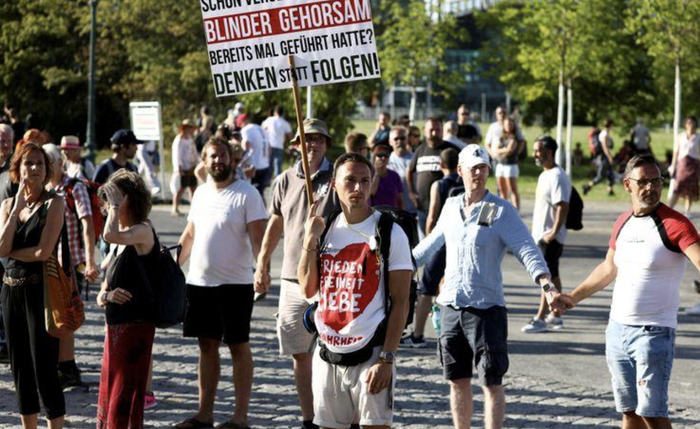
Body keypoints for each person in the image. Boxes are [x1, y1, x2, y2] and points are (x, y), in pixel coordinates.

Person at [412, 144, 562, 429]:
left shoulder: (501, 210)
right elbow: (429, 246)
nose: (479, 174)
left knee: (491, 383)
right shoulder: (451, 205)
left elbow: (527, 250)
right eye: (473, 168)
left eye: (484, 168)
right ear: (460, 171)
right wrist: (396, 264)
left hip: (487, 309)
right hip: (451, 306)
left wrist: (547, 285)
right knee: (457, 381)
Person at [552, 154, 700, 429]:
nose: (651, 187)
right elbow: (609, 267)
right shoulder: (622, 222)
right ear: (627, 185)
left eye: (656, 181)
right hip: (617, 331)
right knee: (629, 411)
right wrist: (573, 297)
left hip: (654, 333)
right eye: (643, 181)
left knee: (652, 414)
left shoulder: (676, 224)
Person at [297, 152, 413, 429]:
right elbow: (307, 287)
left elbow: (401, 302)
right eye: (350, 180)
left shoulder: (390, 232)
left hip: (371, 354)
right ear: (334, 184)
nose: (358, 188)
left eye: (365, 180)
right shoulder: (325, 229)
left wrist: (386, 358)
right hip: (327, 352)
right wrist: (309, 239)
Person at [176, 137, 267, 429]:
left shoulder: (247, 194)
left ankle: (240, 417)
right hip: (199, 283)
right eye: (212, 156)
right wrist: (170, 266)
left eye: (223, 156)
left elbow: (258, 240)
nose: (218, 161)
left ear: (233, 159)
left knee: (238, 345)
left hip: (235, 285)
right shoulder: (201, 193)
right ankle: (205, 414)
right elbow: (189, 235)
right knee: (206, 346)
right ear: (204, 160)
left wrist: (262, 270)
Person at [254, 118, 339, 429]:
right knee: (298, 352)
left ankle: (336, 416)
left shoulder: (337, 179)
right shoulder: (285, 180)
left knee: (334, 353)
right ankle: (309, 418)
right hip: (291, 278)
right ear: (296, 146)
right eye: (306, 139)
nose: (311, 144)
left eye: (318, 138)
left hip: (330, 279)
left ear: (327, 144)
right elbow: (275, 221)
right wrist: (263, 261)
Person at [0, 142, 66, 429]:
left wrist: (12, 251)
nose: (35, 169)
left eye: (40, 163)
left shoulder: (54, 204)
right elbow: (1, 247)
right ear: (19, 168)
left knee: (44, 368)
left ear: (47, 169)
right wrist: (15, 208)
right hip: (10, 292)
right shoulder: (6, 205)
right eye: (29, 163)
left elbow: (42, 252)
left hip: (40, 293)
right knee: (20, 369)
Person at [95, 169, 158, 429]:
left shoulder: (142, 230)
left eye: (117, 197)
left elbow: (108, 235)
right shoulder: (119, 239)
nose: (111, 204)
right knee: (111, 395)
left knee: (125, 398)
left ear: (131, 198)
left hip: (136, 328)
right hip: (115, 329)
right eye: (108, 200)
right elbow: (101, 293)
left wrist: (114, 208)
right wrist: (107, 295)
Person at [43, 144, 100, 389]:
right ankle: (57, 363)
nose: (44, 167)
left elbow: (87, 224)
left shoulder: (74, 188)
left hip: (69, 261)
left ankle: (67, 367)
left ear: (59, 163)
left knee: (66, 313)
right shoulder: (45, 189)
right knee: (53, 312)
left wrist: (90, 261)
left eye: (48, 162)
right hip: (48, 261)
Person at [402, 148, 461, 348]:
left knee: (427, 288)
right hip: (460, 242)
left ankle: (418, 335)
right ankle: (454, 332)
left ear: (441, 165)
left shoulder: (440, 185)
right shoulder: (465, 184)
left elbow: (433, 215)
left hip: (442, 243)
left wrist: (428, 237)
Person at [521, 136, 571, 333]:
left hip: (550, 238)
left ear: (549, 152)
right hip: (542, 235)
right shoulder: (545, 175)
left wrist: (553, 233)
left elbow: (563, 206)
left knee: (545, 278)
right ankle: (556, 316)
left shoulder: (558, 176)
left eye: (538, 150)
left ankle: (540, 317)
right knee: (553, 274)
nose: (535, 154)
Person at [406, 117, 459, 237]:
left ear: (442, 130)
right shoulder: (420, 150)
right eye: (431, 130)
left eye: (437, 130)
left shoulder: (451, 150)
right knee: (425, 243)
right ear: (425, 131)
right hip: (423, 208)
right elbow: (409, 170)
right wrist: (411, 192)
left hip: (445, 211)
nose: (434, 133)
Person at [668, 116, 700, 216]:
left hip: (693, 164)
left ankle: (687, 210)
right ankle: (669, 208)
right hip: (682, 164)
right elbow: (676, 152)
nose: (691, 125)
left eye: (693, 123)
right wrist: (673, 165)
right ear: (685, 124)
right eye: (689, 123)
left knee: (690, 188)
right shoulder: (680, 136)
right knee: (678, 186)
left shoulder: (698, 137)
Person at [0, 123, 12, 363]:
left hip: (8, 240)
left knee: (7, 291)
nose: (4, 143)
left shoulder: (15, 169)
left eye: (7, 139)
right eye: (1, 138)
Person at [491, 116, 522, 211]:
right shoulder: (501, 137)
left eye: (510, 124)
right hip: (500, 165)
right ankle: (505, 211)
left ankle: (516, 212)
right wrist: (502, 150)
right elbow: (495, 149)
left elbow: (509, 150)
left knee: (512, 190)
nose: (508, 126)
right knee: (501, 190)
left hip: (511, 166)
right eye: (507, 124)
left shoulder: (515, 137)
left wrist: (500, 150)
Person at [171, 120, 199, 216]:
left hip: (191, 166)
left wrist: (196, 161)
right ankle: (175, 208)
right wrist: (179, 166)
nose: (189, 129)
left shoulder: (190, 139)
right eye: (188, 127)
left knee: (193, 188)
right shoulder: (179, 140)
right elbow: (176, 155)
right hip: (183, 167)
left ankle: (193, 208)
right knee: (181, 188)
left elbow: (194, 151)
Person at [386, 126, 416, 216]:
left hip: (413, 210)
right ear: (390, 142)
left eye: (402, 138)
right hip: (393, 211)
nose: (399, 141)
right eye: (396, 139)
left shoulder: (415, 159)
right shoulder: (386, 161)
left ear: (407, 140)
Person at [240, 115, 271, 199]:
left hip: (254, 167)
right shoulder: (261, 129)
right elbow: (269, 148)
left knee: (251, 195)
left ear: (242, 123)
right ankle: (264, 212)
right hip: (265, 166)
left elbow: (246, 145)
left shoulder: (246, 130)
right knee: (260, 195)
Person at [583, 118, 615, 197]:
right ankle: (587, 187)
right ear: (610, 125)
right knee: (600, 176)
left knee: (610, 174)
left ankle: (610, 191)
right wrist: (609, 157)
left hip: (605, 157)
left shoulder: (605, 132)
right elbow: (605, 147)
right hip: (604, 157)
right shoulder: (604, 134)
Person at [262, 105, 293, 179]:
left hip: (268, 146)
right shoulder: (285, 123)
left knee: (268, 166)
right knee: (278, 168)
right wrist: (290, 145)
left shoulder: (268, 120)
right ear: (283, 113)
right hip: (279, 147)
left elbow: (262, 130)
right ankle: (277, 185)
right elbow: (291, 137)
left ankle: (267, 183)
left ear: (275, 112)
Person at [370, 143, 403, 209]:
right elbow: (371, 193)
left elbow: (400, 200)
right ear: (374, 157)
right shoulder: (369, 174)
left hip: (392, 214)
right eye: (380, 155)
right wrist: (377, 174)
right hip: (374, 214)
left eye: (386, 155)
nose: (383, 158)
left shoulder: (394, 175)